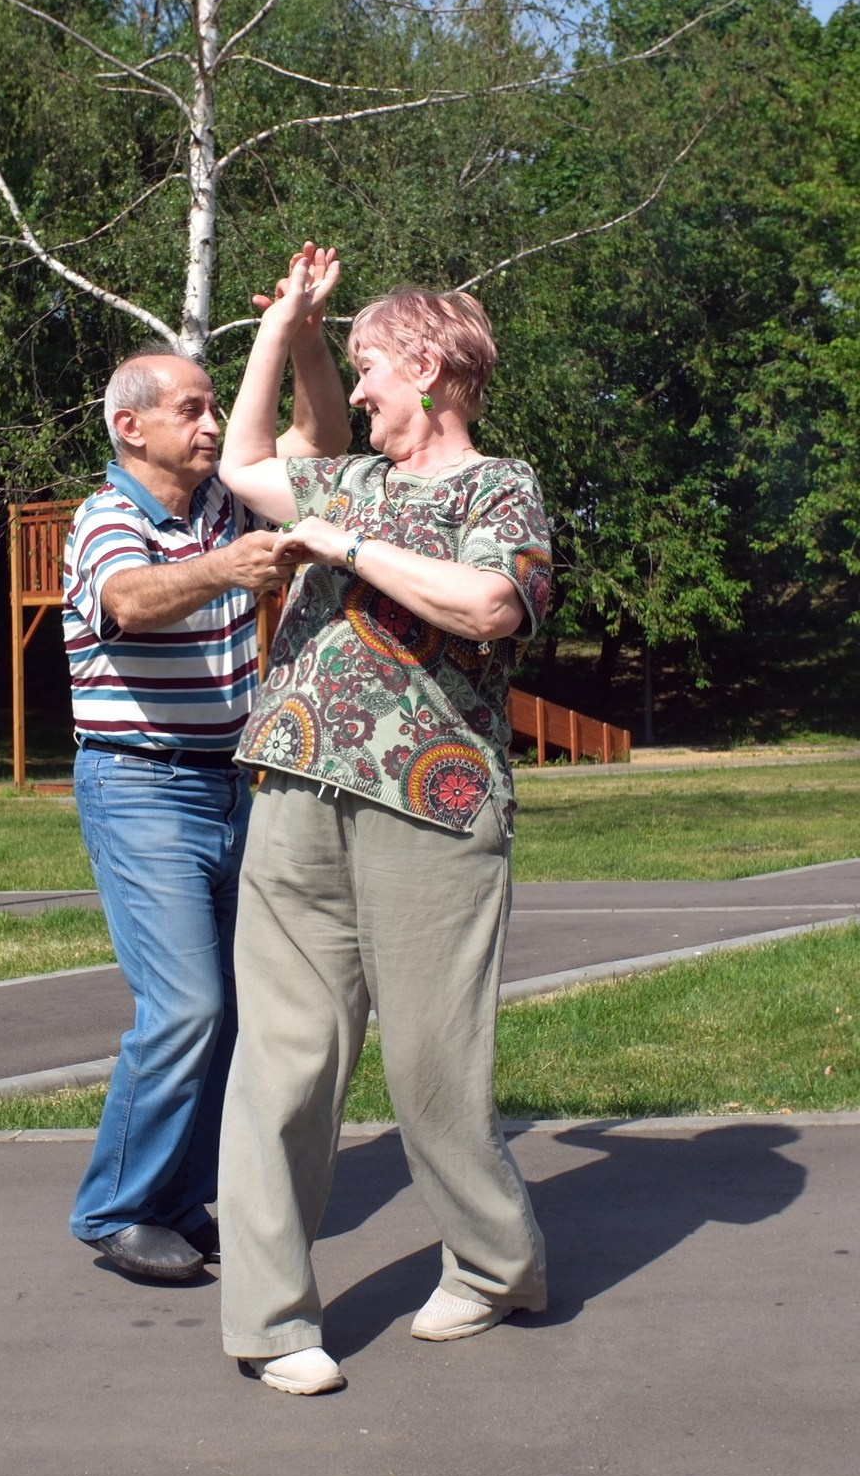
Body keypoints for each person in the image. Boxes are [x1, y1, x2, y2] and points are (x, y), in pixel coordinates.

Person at [216, 262, 551, 1391]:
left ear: (432, 367)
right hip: (296, 783)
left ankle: (495, 1265)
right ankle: (271, 1323)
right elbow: (244, 462)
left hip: (434, 803)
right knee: (283, 1061)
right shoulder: (344, 477)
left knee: (432, 1067)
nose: (355, 394)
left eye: (368, 369)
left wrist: (344, 547)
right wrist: (284, 329)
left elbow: (491, 605)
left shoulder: (498, 490)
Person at [62, 248, 347, 1284]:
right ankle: (115, 1209)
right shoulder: (107, 520)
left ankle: (178, 1198)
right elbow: (130, 603)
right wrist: (226, 568)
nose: (213, 422)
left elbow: (323, 440)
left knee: (231, 1003)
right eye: (191, 408)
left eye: (214, 405)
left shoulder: (223, 505)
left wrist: (307, 334)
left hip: (233, 786)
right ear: (130, 426)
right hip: (139, 784)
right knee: (184, 1006)